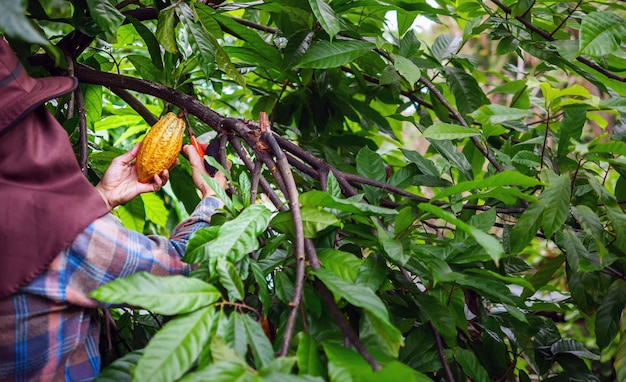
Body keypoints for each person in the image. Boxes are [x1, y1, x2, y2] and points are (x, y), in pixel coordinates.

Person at [0, 38, 226, 381]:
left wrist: (101, 198)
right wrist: (213, 200)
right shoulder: (71, 240)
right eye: (32, 114)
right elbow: (181, 272)